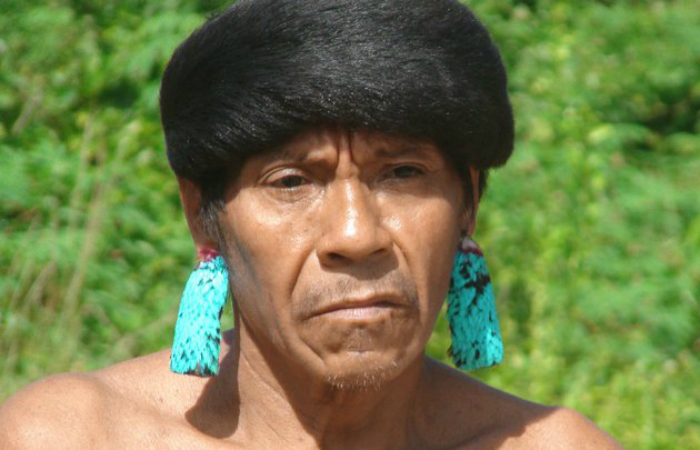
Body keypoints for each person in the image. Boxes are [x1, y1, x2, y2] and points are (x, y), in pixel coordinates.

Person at [0, 0, 623, 448]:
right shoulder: (71, 437)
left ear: (469, 204)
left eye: (403, 173)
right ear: (203, 217)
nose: (356, 235)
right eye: (291, 182)